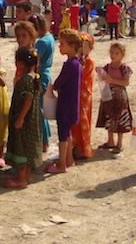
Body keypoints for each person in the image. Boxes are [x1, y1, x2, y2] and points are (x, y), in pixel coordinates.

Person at [4, 47, 43, 189]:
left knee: (21, 148)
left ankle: (21, 179)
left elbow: (28, 99)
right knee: (27, 149)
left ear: (20, 64)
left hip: (24, 122)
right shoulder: (34, 77)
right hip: (30, 121)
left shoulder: (26, 79)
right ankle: (26, 175)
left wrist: (20, 118)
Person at [48, 29, 82, 174]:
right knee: (67, 132)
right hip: (72, 104)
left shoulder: (70, 64)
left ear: (72, 46)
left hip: (66, 104)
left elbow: (59, 82)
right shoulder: (77, 63)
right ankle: (68, 159)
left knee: (63, 134)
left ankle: (61, 164)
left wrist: (52, 86)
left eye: (62, 44)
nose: (60, 47)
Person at [95, 42, 133, 154]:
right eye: (112, 52)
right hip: (108, 95)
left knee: (120, 119)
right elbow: (103, 77)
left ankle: (119, 143)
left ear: (122, 55)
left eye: (116, 53)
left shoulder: (123, 67)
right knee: (109, 117)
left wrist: (112, 80)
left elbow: (126, 82)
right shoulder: (107, 66)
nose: (113, 55)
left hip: (120, 96)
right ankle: (110, 141)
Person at [29, 14, 54, 151]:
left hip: (41, 75)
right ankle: (46, 138)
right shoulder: (49, 38)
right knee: (41, 108)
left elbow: (35, 60)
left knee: (39, 110)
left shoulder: (41, 42)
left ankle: (44, 141)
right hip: (46, 74)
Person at [72, 33, 95, 160]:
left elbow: (82, 77)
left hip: (84, 95)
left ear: (90, 48)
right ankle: (76, 146)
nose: (82, 49)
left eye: (85, 47)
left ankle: (82, 147)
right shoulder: (77, 60)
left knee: (83, 121)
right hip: (77, 94)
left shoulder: (89, 62)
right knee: (75, 123)